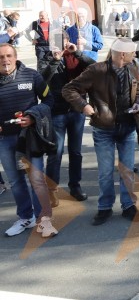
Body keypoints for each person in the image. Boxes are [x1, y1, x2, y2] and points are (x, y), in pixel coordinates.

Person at [62, 38, 139, 225]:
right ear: (123, 54)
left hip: (128, 126)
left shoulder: (132, 67)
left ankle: (128, 206)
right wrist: (84, 106)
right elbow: (69, 89)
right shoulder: (96, 70)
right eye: (133, 52)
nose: (135, 55)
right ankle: (105, 207)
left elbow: (138, 90)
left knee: (127, 171)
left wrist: (138, 104)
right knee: (106, 172)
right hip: (104, 129)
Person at [0, 43, 57, 238]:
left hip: (30, 138)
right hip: (5, 139)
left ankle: (44, 220)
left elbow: (49, 101)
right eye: (1, 57)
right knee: (16, 181)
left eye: (8, 56)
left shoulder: (32, 76)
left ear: (15, 57)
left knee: (36, 180)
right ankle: (26, 217)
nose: (5, 60)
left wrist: (33, 117)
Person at [42, 41, 96, 204]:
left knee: (76, 152)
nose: (62, 46)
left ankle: (75, 186)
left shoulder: (76, 58)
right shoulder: (47, 58)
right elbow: (43, 79)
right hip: (57, 111)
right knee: (55, 153)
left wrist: (78, 52)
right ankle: (51, 190)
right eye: (58, 42)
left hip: (76, 110)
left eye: (65, 42)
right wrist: (55, 60)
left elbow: (94, 68)